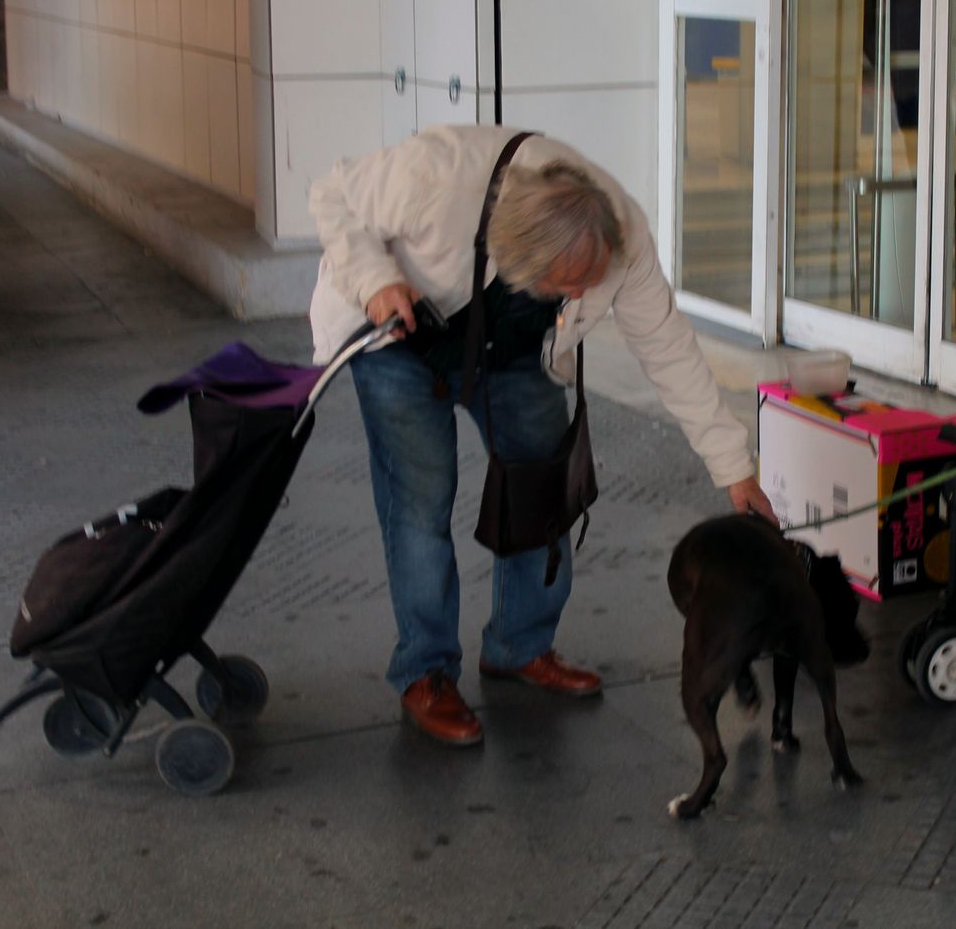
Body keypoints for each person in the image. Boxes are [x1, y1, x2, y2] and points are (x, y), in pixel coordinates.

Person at [309, 125, 776, 747]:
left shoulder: (621, 235)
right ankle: (425, 671)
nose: (585, 297)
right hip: (400, 331)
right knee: (421, 501)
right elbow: (332, 194)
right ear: (518, 258)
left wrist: (733, 467)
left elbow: (667, 349)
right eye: (570, 286)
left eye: (591, 281)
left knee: (544, 485)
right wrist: (375, 279)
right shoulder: (437, 177)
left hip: (511, 344)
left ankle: (519, 645)